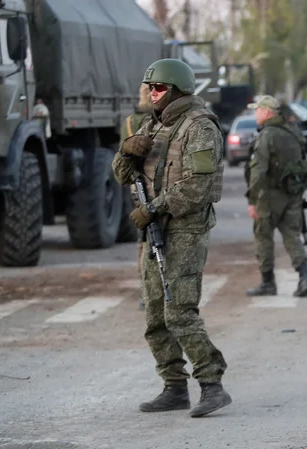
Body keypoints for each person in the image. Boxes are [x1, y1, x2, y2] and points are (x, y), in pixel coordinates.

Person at [111, 58, 232, 418]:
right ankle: (174, 386)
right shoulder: (153, 123)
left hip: (184, 227)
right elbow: (121, 175)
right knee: (154, 314)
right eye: (149, 87)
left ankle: (212, 384)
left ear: (178, 89)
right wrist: (126, 151)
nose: (152, 93)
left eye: (159, 87)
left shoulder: (200, 127)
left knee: (179, 311)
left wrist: (155, 208)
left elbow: (199, 186)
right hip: (154, 228)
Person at [244, 95, 307, 298]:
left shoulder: (267, 135)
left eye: (257, 110)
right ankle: (304, 277)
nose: (255, 114)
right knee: (292, 235)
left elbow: (258, 172)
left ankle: (268, 283)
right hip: (293, 194)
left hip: (269, 196)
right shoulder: (292, 131)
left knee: (263, 237)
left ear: (266, 112)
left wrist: (252, 200)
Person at [119, 83, 153, 311]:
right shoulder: (162, 121)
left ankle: (146, 291)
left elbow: (124, 157)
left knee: (144, 240)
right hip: (160, 185)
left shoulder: (130, 122)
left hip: (138, 187)